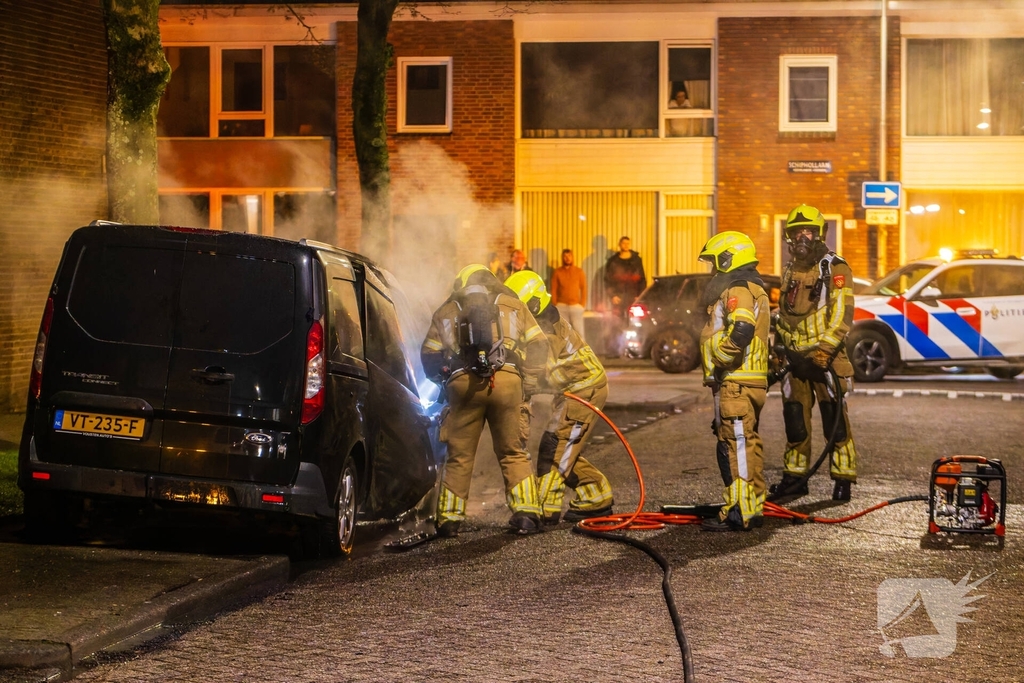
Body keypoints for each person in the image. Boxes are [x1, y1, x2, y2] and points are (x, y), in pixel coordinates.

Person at [421, 264, 549, 536]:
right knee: (512, 451)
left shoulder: (446, 310)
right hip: (508, 381)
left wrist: (446, 382)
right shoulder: (514, 305)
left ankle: (449, 521)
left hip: (463, 386)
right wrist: (529, 381)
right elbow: (539, 344)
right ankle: (526, 514)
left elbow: (429, 356)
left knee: (459, 456)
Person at [505, 270, 613, 524]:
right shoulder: (542, 322)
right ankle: (596, 495)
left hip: (585, 390)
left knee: (556, 449)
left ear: (532, 304)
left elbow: (536, 367)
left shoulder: (547, 332)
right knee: (561, 447)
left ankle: (546, 509)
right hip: (574, 390)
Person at [771, 204, 858, 502]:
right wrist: (779, 350)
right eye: (797, 233)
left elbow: (842, 314)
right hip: (795, 359)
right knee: (795, 422)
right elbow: (784, 313)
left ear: (819, 233)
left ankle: (843, 479)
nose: (802, 238)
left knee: (836, 422)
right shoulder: (789, 268)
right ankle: (795, 479)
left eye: (807, 232)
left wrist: (826, 349)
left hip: (825, 360)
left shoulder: (835, 267)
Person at [696, 231, 771, 532]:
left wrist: (719, 359)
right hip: (748, 381)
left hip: (735, 382)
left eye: (715, 263)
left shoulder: (738, 288)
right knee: (747, 443)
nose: (713, 271)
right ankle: (754, 505)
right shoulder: (755, 288)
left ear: (728, 259)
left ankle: (739, 511)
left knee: (735, 445)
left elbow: (741, 330)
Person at [603, 236, 646, 357]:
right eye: (623, 243)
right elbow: (607, 280)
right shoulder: (613, 261)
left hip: (633, 297)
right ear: (619, 245)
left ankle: (634, 351)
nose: (626, 245)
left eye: (628, 243)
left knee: (634, 324)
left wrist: (640, 296)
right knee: (616, 324)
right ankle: (615, 351)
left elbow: (642, 279)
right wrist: (612, 295)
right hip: (618, 298)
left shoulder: (636, 260)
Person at [549, 248, 587, 342]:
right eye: (565, 256)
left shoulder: (579, 272)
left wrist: (582, 304)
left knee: (579, 332)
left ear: (572, 257)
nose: (567, 258)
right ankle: (565, 354)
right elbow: (553, 289)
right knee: (563, 332)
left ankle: (582, 354)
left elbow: (584, 288)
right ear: (562, 258)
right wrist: (555, 304)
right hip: (561, 307)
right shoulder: (557, 272)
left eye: (569, 256)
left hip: (575, 306)